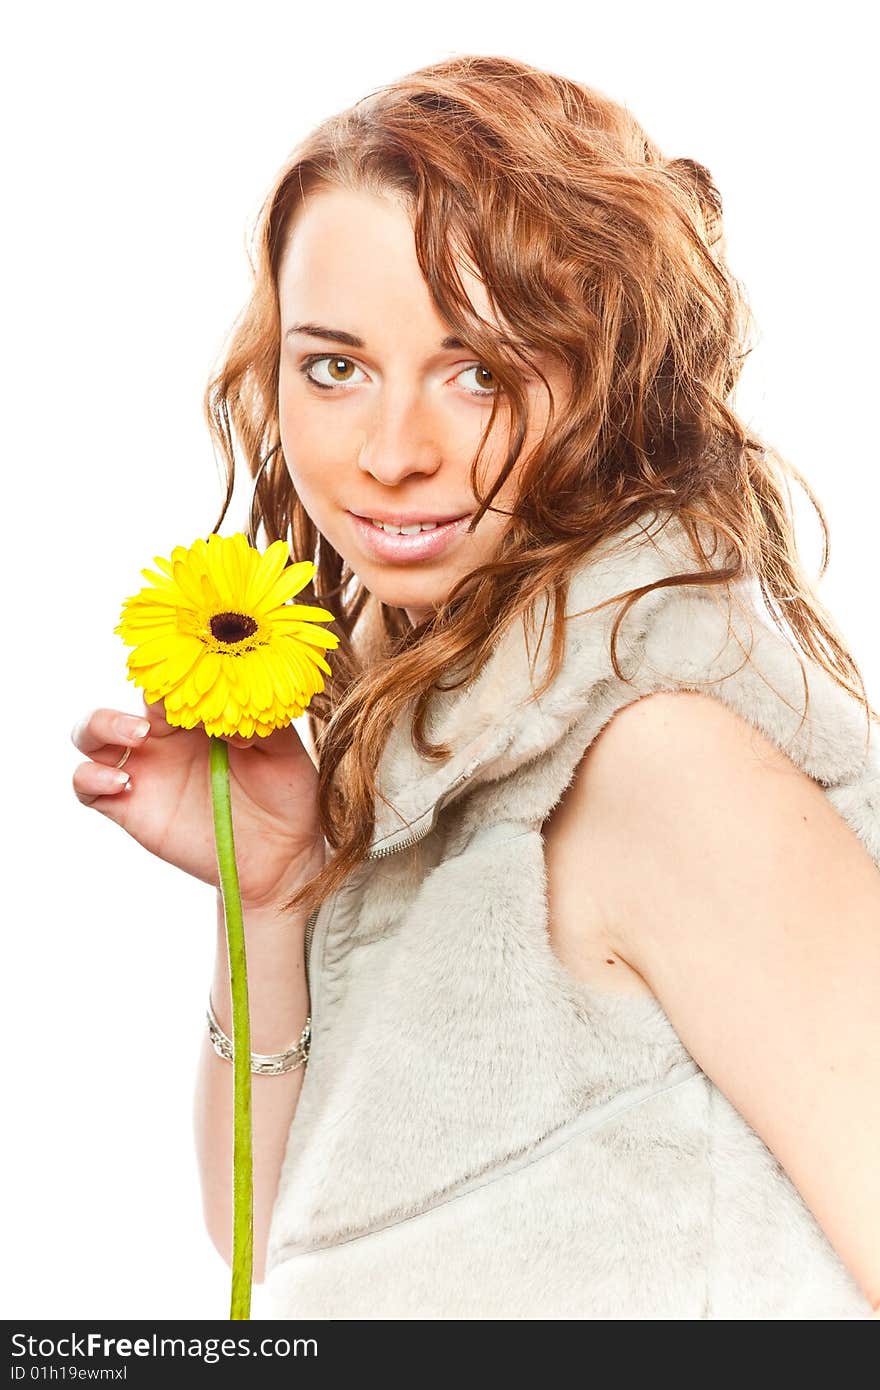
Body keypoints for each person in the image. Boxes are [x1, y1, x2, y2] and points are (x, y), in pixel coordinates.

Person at [70, 55, 880, 1319]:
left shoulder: (664, 763)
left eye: (483, 371)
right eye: (334, 367)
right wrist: (275, 904)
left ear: (616, 390)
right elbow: (271, 1245)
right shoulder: (445, 764)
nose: (392, 454)